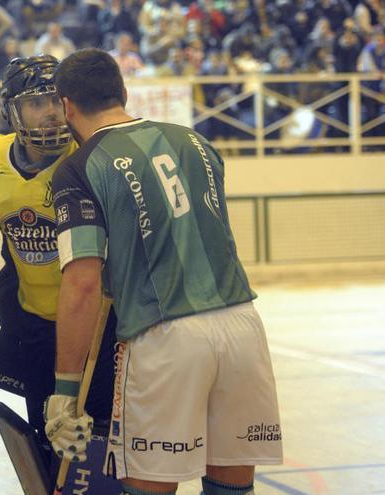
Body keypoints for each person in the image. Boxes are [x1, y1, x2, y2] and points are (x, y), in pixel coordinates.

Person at [43, 48, 283, 495]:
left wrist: (64, 389)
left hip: (164, 336)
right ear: (123, 92)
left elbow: (82, 283)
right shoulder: (196, 142)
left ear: (66, 105)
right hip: (243, 328)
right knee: (232, 487)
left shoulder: (78, 168)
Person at [0, 54, 117, 484]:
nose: (50, 112)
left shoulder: (90, 157)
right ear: (11, 110)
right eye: (36, 103)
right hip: (33, 328)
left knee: (99, 444)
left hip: (97, 329)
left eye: (56, 99)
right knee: (46, 439)